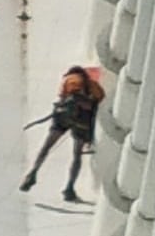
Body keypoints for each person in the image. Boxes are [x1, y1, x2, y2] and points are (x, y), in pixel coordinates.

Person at [20, 65, 106, 202]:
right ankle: (69, 188)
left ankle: (32, 173)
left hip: (63, 116)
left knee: (46, 147)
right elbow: (100, 98)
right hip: (82, 122)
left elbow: (62, 97)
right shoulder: (92, 85)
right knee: (77, 155)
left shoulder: (69, 79)